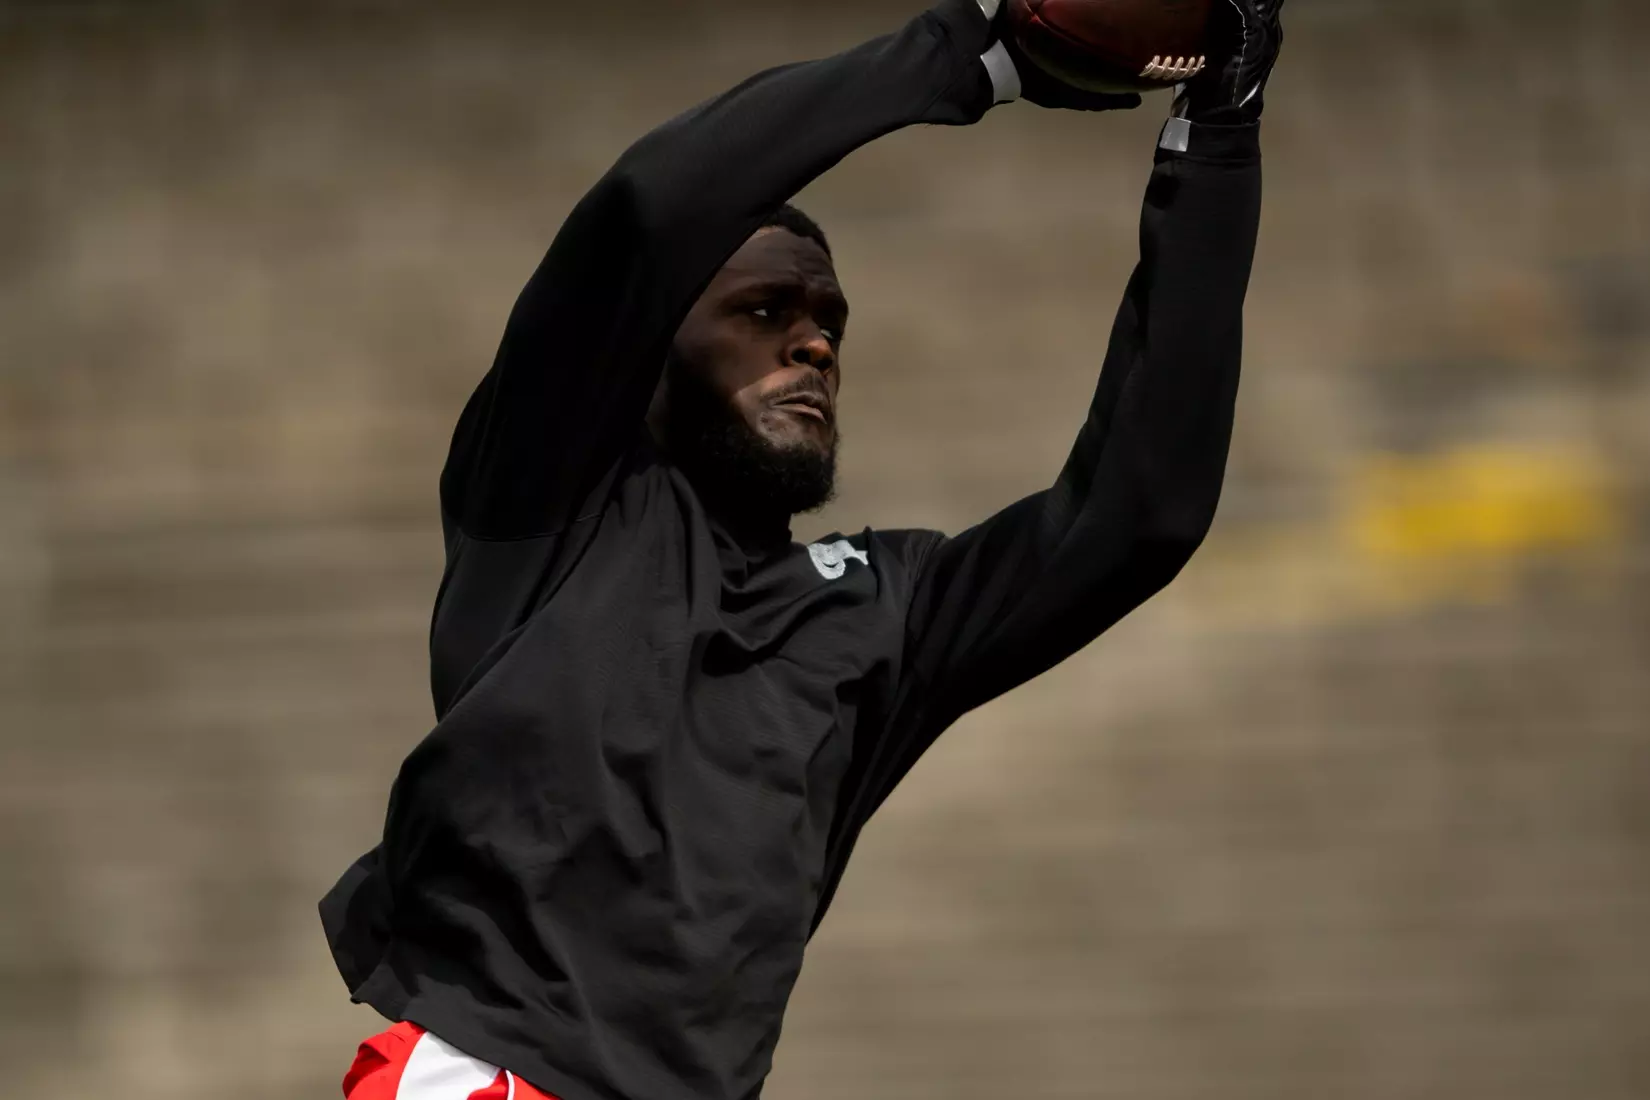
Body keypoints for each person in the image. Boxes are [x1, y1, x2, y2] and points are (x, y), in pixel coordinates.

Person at [321, 0, 1285, 1097]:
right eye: (765, 308)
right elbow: (645, 214)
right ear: (651, 353)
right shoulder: (550, 496)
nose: (815, 338)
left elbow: (1138, 512)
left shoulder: (880, 612)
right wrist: (974, 56)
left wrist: (1219, 134)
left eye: (828, 317)